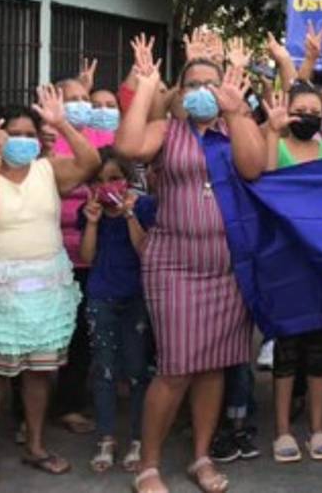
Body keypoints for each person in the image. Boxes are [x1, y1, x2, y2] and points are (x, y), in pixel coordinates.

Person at [115, 36, 267, 493]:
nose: (202, 91)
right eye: (193, 84)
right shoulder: (167, 131)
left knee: (212, 366)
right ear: (180, 93)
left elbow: (254, 167)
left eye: (211, 84)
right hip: (174, 265)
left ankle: (201, 457)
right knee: (176, 367)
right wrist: (145, 88)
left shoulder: (232, 127)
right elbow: (128, 147)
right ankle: (149, 464)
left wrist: (238, 112)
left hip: (225, 270)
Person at [0, 87, 102, 487]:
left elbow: (90, 163)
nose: (21, 141)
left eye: (29, 134)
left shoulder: (47, 169)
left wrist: (60, 123)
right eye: (12, 133)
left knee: (39, 373)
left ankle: (35, 446)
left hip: (44, 287)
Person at [258, 85, 322, 464]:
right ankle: (282, 431)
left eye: (314, 110)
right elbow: (263, 182)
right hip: (283, 259)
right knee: (288, 348)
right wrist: (272, 132)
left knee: (320, 348)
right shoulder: (274, 143)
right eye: (299, 109)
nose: (306, 115)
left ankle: (318, 428)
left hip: (321, 259)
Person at [79, 147, 156, 474]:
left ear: (128, 180)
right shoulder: (89, 213)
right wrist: (94, 222)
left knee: (138, 371)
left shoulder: (145, 207)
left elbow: (145, 250)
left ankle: (138, 438)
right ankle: (106, 438)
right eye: (99, 181)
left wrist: (128, 214)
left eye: (114, 179)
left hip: (136, 296)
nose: (107, 186)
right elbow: (86, 255)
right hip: (101, 296)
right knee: (105, 370)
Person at [51, 74, 115, 436]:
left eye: (83, 98)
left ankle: (70, 402)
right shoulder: (42, 140)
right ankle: (27, 411)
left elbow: (106, 174)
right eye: (70, 98)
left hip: (91, 252)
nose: (80, 104)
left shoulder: (98, 139)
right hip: (51, 254)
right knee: (45, 336)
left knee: (80, 335)